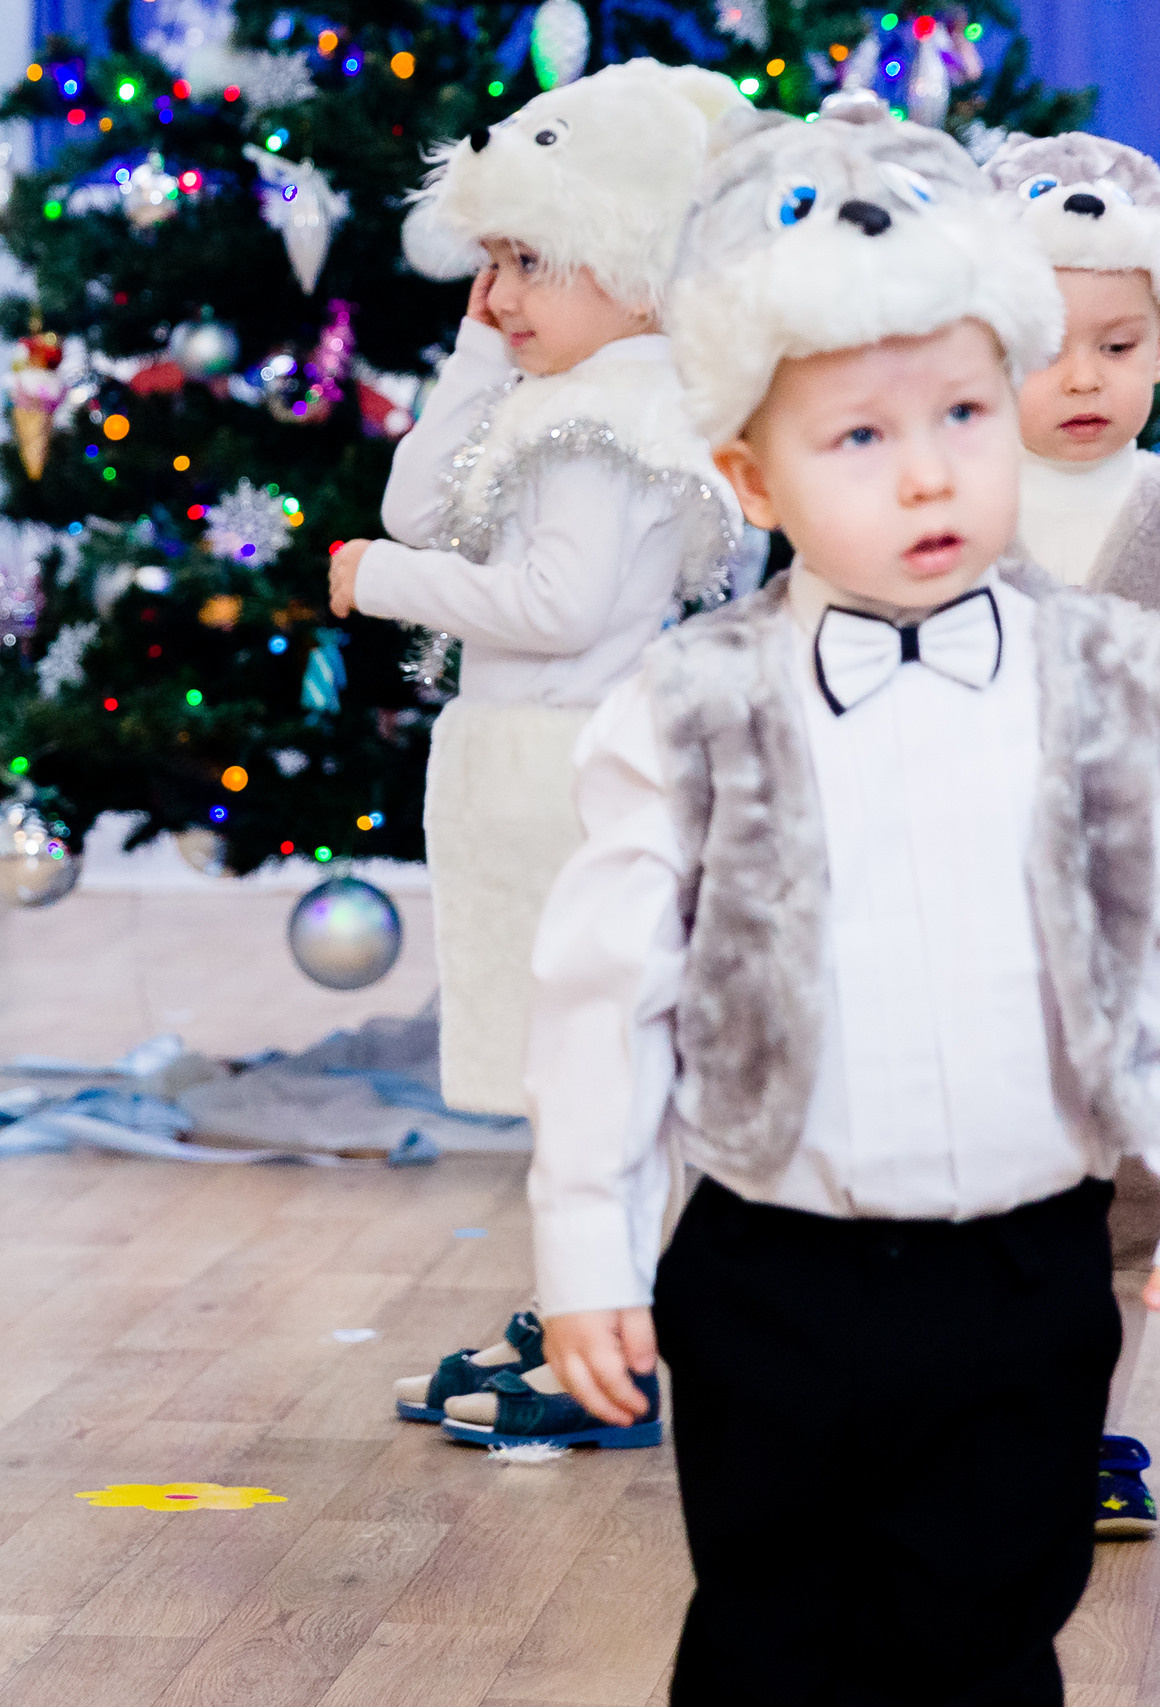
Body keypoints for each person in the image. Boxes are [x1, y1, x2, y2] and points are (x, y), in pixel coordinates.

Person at [530, 93, 1127, 1703]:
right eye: (861, 437)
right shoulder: (690, 703)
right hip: (777, 1257)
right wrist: (587, 1240)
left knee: (994, 1620)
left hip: (1031, 1254)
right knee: (773, 1624)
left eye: (962, 415)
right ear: (753, 472)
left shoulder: (1112, 680)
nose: (927, 474)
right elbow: (604, 984)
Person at [324, 60, 749, 1447]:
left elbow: (551, 602)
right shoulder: (568, 383)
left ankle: (610, 1336)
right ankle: (591, 1305)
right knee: (578, 1065)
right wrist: (473, 345)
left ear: (633, 267)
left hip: (575, 772)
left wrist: (382, 581)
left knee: (599, 1069)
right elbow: (420, 494)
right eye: (490, 258)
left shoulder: (606, 421)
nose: (495, 292)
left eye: (525, 261)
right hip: (530, 766)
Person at [986, 129, 1160, 1541]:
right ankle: (984, 1414)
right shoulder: (953, 500)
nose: (1087, 377)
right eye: (1051, 345)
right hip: (983, 903)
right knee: (1002, 1173)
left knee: (1125, 1200)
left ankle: (1100, 1429)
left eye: (1123, 340)